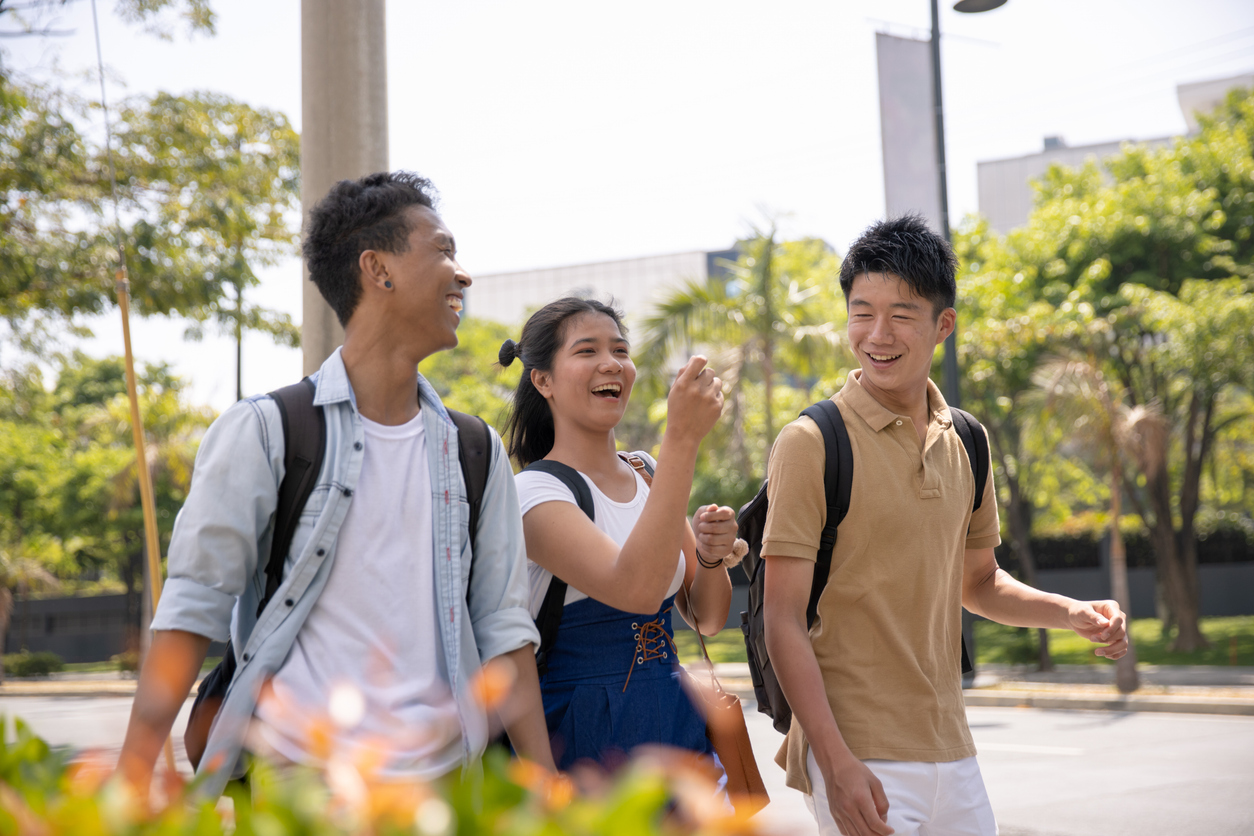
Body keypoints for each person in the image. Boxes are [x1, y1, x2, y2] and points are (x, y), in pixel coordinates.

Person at [118, 171, 553, 800]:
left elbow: (504, 630)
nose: (462, 274)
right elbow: (192, 610)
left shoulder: (474, 449)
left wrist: (545, 792)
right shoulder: (266, 431)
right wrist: (128, 786)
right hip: (299, 790)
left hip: (444, 796)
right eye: (442, 250)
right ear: (378, 269)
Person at [762, 215, 1129, 836]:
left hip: (951, 749)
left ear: (943, 326)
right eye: (861, 312)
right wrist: (835, 760)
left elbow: (979, 583)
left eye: (902, 314)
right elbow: (782, 617)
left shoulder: (966, 438)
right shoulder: (811, 442)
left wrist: (1068, 611)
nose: (877, 334)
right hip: (859, 751)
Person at [498, 297, 738, 773]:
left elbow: (707, 617)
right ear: (542, 380)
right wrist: (683, 438)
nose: (611, 363)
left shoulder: (648, 472)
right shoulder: (533, 494)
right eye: (586, 351)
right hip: (585, 735)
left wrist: (710, 556)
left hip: (674, 717)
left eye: (620, 350)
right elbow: (638, 590)